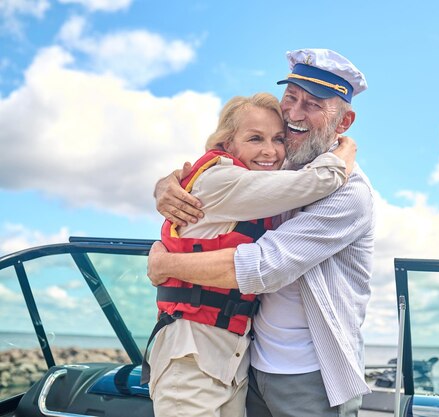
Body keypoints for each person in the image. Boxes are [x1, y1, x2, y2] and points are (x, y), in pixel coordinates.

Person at [149, 48, 374, 417]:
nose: (295, 114)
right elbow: (216, 180)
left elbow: (262, 267)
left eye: (313, 105)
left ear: (343, 122)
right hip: (248, 364)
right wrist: (167, 183)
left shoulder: (350, 193)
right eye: (291, 98)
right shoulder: (275, 165)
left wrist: (164, 265)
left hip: (310, 378)